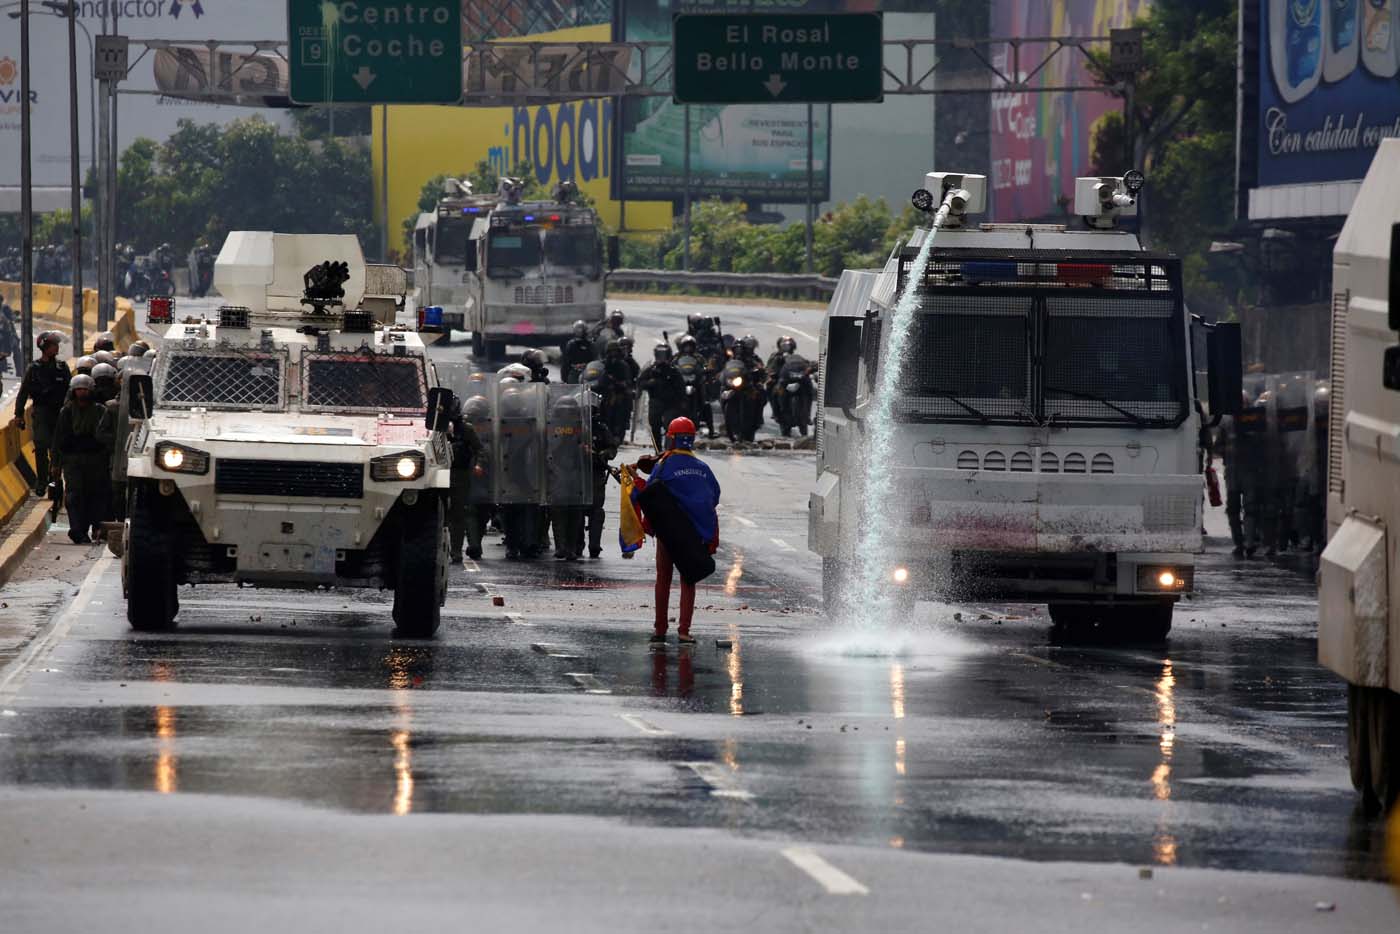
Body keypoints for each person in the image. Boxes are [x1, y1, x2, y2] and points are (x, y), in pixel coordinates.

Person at [633, 417, 720, 645]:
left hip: (669, 533)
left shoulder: (664, 465)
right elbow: (715, 496)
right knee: (688, 580)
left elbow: (651, 492)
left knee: (663, 579)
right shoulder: (703, 469)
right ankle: (684, 631)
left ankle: (660, 629)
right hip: (693, 535)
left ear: (671, 438)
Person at [53, 374, 109, 544]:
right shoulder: (67, 412)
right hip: (73, 461)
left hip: (96, 460)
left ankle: (95, 528)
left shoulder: (101, 411)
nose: (82, 393)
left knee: (94, 495)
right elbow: (59, 438)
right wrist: (56, 463)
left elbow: (106, 436)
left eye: (85, 389)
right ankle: (78, 530)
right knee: (74, 496)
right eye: (78, 389)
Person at [16, 331, 72, 494]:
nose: (56, 347)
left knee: (58, 447)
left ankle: (56, 479)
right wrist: (18, 415)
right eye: (53, 345)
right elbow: (23, 392)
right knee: (41, 446)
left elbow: (70, 390)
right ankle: (41, 481)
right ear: (45, 347)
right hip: (41, 412)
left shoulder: (62, 367)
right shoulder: (34, 369)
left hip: (59, 412)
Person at [446, 396, 484, 564]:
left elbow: (479, 450)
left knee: (458, 515)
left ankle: (455, 551)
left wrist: (478, 465)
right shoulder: (435, 428)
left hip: (459, 474)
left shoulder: (466, 429)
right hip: (438, 473)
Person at [638, 341, 688, 451]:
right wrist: (650, 383)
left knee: (669, 425)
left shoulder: (674, 371)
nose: (661, 358)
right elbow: (640, 382)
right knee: (654, 426)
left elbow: (681, 387)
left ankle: (668, 449)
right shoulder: (651, 370)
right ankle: (658, 450)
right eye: (659, 355)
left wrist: (682, 402)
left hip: (671, 404)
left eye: (664, 355)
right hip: (655, 403)